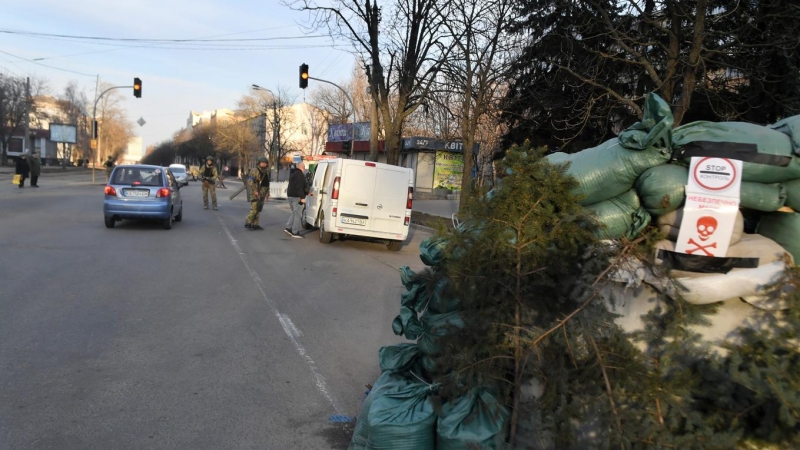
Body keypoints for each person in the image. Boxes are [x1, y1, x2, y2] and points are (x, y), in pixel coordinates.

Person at [284, 162, 309, 239]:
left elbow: (296, 186)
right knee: (298, 214)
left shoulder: (293, 173)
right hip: (296, 197)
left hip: (290, 196)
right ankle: (295, 232)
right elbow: (299, 187)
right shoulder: (300, 175)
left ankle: (288, 227)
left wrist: (308, 193)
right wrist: (302, 197)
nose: (304, 169)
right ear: (302, 167)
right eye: (304, 168)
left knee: (294, 212)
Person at [245, 156, 270, 230]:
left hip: (263, 193)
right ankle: (248, 222)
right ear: (259, 163)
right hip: (256, 192)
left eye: (265, 163)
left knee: (259, 209)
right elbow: (250, 182)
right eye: (262, 163)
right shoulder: (254, 170)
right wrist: (255, 190)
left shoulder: (266, 172)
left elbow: (267, 183)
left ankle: (255, 224)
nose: (263, 164)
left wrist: (267, 194)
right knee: (254, 209)